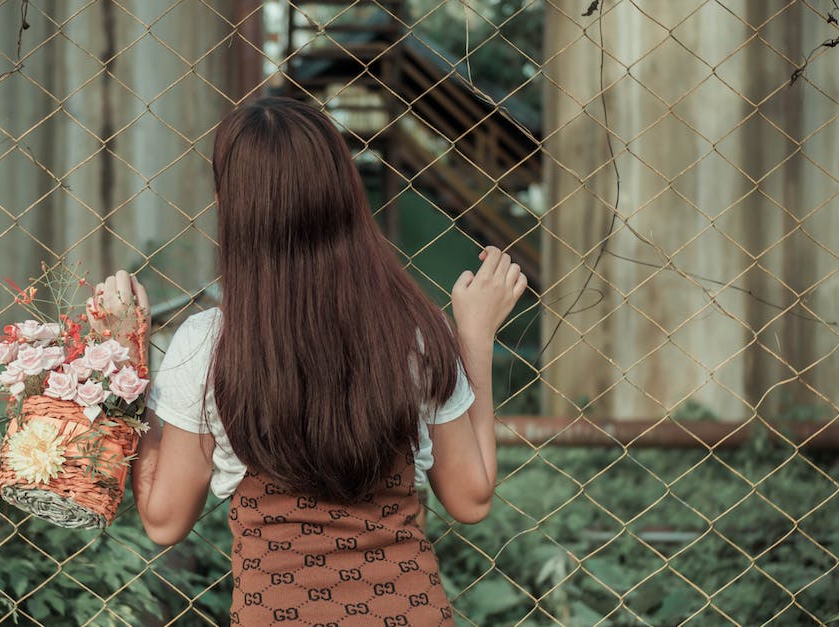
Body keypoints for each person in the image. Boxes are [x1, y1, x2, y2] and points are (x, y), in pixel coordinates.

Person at [89, 96, 526, 625]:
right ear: (345, 194)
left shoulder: (209, 345)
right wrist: (473, 337)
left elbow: (164, 522)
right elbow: (471, 500)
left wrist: (125, 362)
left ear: (228, 204)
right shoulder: (412, 330)